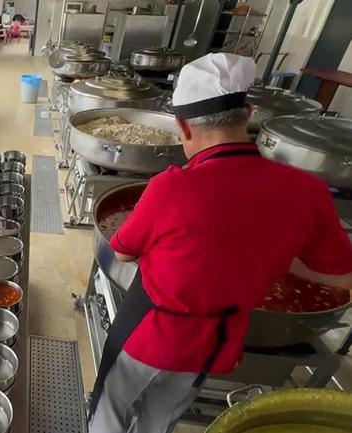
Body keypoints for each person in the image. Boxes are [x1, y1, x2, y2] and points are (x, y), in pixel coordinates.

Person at [88, 53, 352, 433]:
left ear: (183, 127)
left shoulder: (172, 187)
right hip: (213, 342)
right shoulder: (307, 192)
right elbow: (341, 275)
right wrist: (276, 257)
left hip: (150, 332)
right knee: (160, 418)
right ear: (248, 112)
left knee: (110, 410)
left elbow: (121, 250)